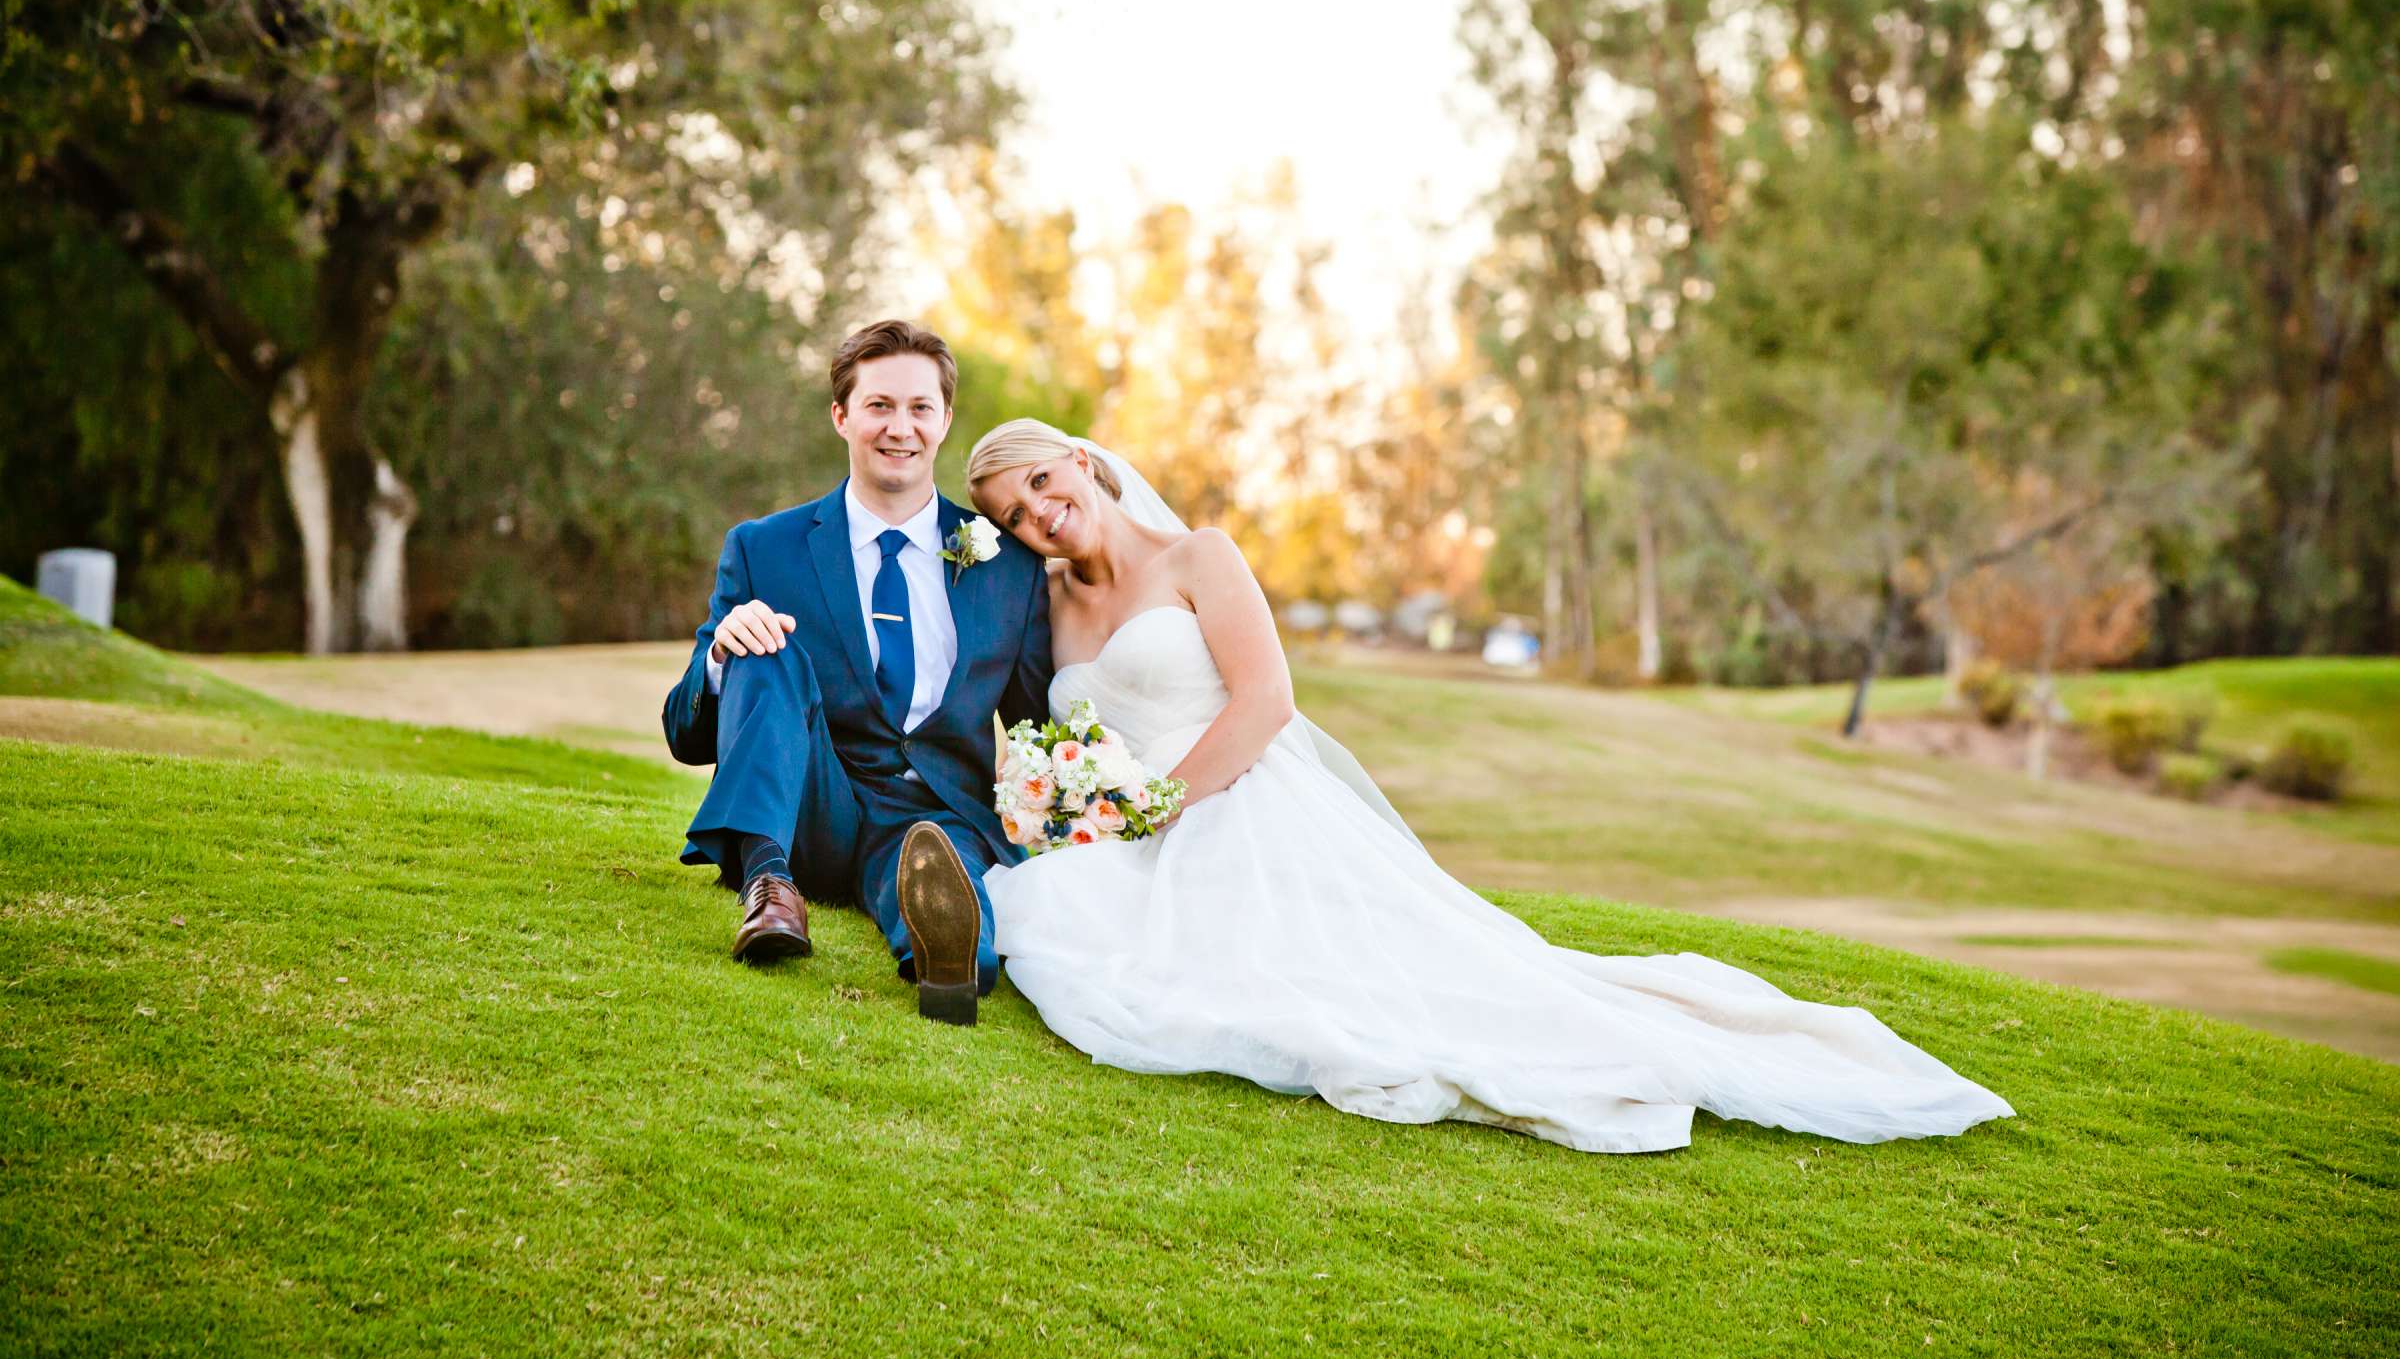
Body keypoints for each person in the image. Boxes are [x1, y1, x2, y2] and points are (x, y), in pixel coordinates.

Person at [964, 418, 2015, 1153]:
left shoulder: (1200, 556)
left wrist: (1165, 800)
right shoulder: (1049, 608)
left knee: (1362, 990)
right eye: (1016, 515)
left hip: (1242, 801)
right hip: (1137, 826)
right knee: (1055, 916)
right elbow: (1066, 727)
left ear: (1083, 462)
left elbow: (1267, 700)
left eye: (1044, 486)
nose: (1041, 518)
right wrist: (1085, 800)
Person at [661, 321, 1052, 1026]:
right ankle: (769, 886)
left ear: (945, 420)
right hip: (812, 803)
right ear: (841, 416)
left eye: (918, 408)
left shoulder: (1007, 568)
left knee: (936, 865)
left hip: (933, 813)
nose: (899, 427)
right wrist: (720, 654)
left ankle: (950, 960)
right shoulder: (764, 548)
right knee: (764, 641)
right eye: (879, 406)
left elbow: (1035, 727)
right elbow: (685, 736)